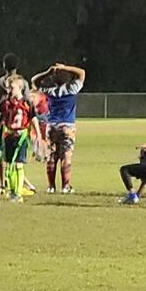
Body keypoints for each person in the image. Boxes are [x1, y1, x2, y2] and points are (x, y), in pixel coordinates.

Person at [33, 61, 87, 193]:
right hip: (67, 125)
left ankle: (51, 186)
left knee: (52, 156)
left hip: (51, 125)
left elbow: (34, 81)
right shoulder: (72, 88)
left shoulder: (50, 91)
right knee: (66, 156)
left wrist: (49, 71)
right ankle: (65, 186)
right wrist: (65, 68)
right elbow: (82, 73)